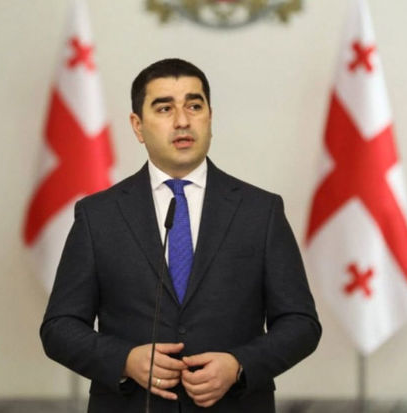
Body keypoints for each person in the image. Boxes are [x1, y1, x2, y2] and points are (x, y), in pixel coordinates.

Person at [40, 58, 322, 413]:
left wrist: (239, 365)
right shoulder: (99, 215)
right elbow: (59, 327)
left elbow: (301, 323)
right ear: (138, 126)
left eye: (194, 106)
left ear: (210, 117)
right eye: (164, 108)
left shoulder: (260, 211)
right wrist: (124, 360)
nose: (182, 120)